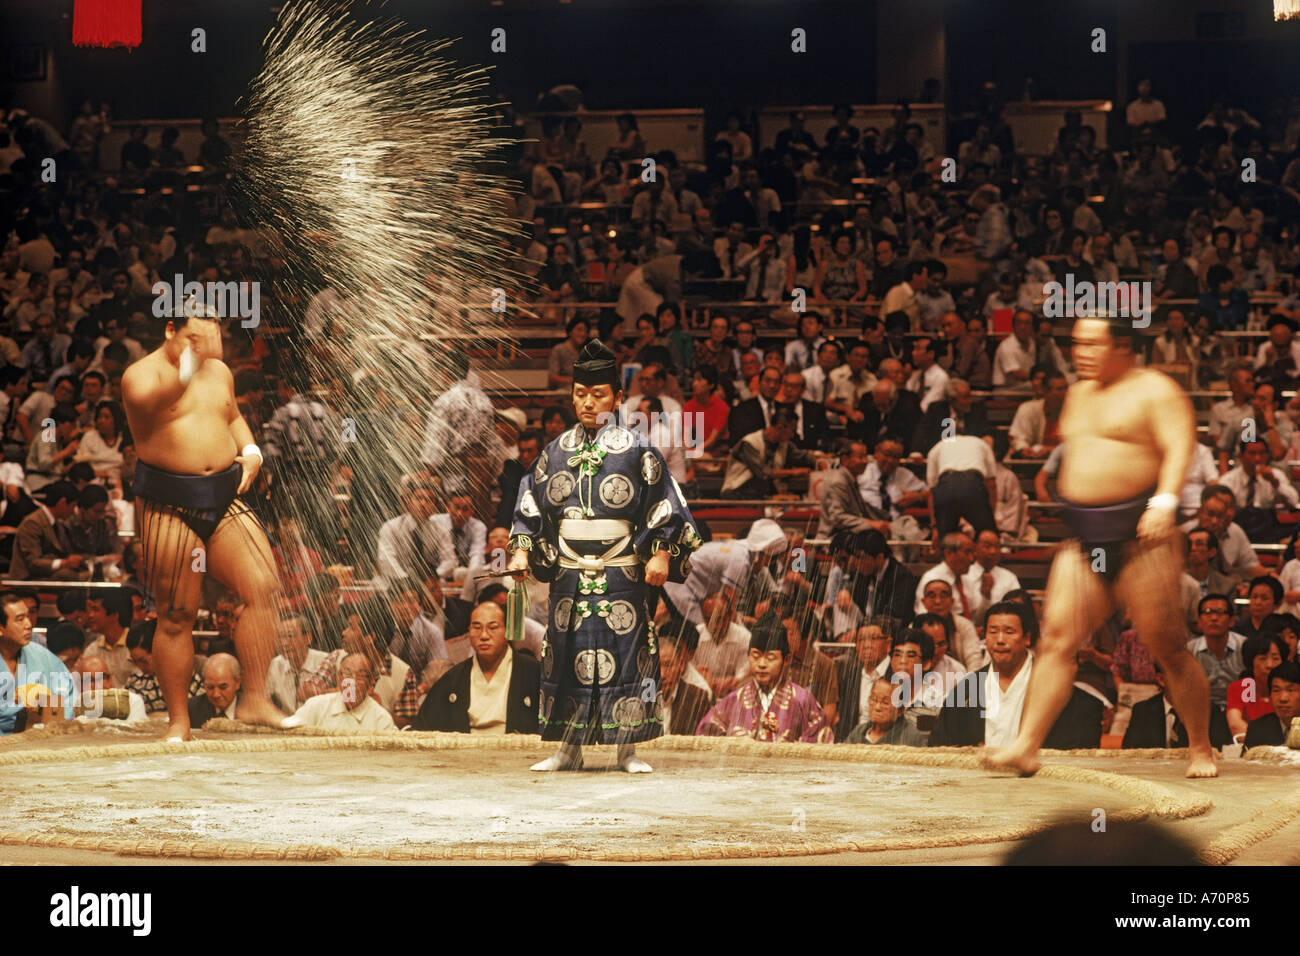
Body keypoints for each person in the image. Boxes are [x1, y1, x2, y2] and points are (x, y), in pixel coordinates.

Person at [985, 317, 1217, 779]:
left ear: (1123, 347)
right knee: (1056, 641)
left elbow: (1178, 447)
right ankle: (1026, 746)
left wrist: (1164, 502)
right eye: (1076, 344)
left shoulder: (1155, 390)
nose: (1081, 352)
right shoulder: (1078, 393)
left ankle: (1201, 749)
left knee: (1167, 647)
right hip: (1085, 538)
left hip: (1141, 537)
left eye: (1093, 344)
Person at [507, 338, 698, 773]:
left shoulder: (637, 448)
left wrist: (662, 553)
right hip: (569, 573)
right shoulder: (553, 452)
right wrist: (520, 550)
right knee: (565, 653)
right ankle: (566, 749)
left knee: (627, 652)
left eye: (597, 394)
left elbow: (664, 504)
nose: (587, 402)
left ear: (615, 396)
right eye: (579, 393)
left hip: (621, 569)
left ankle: (627, 750)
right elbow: (529, 507)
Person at [120, 301, 283, 740]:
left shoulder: (219, 372)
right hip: (169, 502)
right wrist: (193, 360)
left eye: (209, 339)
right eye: (193, 339)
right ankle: (179, 721)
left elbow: (231, 416)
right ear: (170, 330)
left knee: (264, 587)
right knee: (177, 614)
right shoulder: (141, 375)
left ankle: (254, 700)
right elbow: (154, 402)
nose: (204, 348)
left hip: (223, 497)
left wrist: (250, 450)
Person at [930, 600, 1103, 749]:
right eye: (993, 631)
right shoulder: (967, 689)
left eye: (1009, 632)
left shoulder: (1059, 690)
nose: (999, 639)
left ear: (1027, 638)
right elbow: (941, 747)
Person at [695, 612, 834, 742]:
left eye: (770, 658)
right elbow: (704, 737)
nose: (762, 664)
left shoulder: (803, 701)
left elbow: (821, 740)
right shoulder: (733, 700)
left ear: (786, 660)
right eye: (755, 656)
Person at [413, 599, 540, 734]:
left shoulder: (533, 672)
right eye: (477, 628)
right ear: (469, 632)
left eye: (493, 627)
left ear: (508, 631)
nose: (484, 635)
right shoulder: (452, 679)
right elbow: (424, 728)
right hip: (465, 752)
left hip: (517, 752)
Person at [0, 591, 78, 733]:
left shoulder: (41, 656)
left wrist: (52, 724)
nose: (28, 624)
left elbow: (68, 697)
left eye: (28, 616)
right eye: (20, 619)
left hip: (40, 739)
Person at [1122, 661, 1232, 749]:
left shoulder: (1209, 712)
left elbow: (1219, 753)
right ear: (1161, 680)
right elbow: (1130, 752)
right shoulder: (1142, 711)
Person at [281, 653, 397, 732]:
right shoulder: (316, 706)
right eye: (347, 674)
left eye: (361, 676)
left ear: (371, 682)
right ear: (339, 677)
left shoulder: (381, 719)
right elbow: (292, 735)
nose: (353, 682)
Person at [9, 481, 88, 581]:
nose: (73, 512)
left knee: (86, 572)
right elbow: (32, 563)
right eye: (72, 506)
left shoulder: (58, 524)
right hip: (29, 579)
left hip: (48, 575)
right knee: (67, 575)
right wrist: (64, 563)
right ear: (63, 502)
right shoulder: (32, 523)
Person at [926, 434, 997, 536]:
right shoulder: (982, 444)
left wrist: (935, 527)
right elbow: (991, 485)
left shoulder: (937, 447)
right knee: (987, 535)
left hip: (946, 487)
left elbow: (932, 492)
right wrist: (990, 518)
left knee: (946, 541)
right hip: (973, 485)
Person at [1188, 593, 1246, 713]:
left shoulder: (1245, 646)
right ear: (1199, 622)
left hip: (1240, 710)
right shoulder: (1189, 650)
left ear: (1231, 621)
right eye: (1208, 612)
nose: (1214, 618)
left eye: (1220, 612)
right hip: (1201, 711)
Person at [1225, 633, 1286, 739]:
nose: (1269, 665)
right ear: (1250, 662)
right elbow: (1235, 724)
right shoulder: (1244, 687)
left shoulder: (1290, 689)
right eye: (1262, 658)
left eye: (1275, 658)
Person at [657, 621, 712, 735]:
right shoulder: (640, 696)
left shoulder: (697, 698)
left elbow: (704, 742)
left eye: (668, 665)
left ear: (681, 665)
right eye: (656, 666)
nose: (662, 674)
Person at [844, 676, 926, 745]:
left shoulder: (912, 739)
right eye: (874, 699)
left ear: (900, 710)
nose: (877, 707)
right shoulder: (858, 733)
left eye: (885, 703)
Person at [1242, 660, 1299, 749]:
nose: (1282, 698)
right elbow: (1245, 761)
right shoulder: (1258, 728)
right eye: (1276, 690)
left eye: (1290, 690)